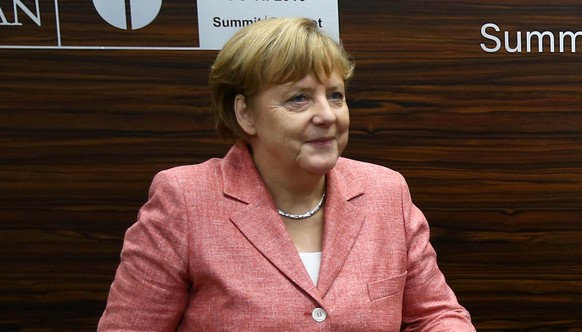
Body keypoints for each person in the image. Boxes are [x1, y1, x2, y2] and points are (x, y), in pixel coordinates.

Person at [98, 17, 475, 331]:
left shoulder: (385, 191)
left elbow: (436, 315)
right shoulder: (184, 198)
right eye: (299, 98)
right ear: (245, 114)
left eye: (335, 95)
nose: (327, 115)